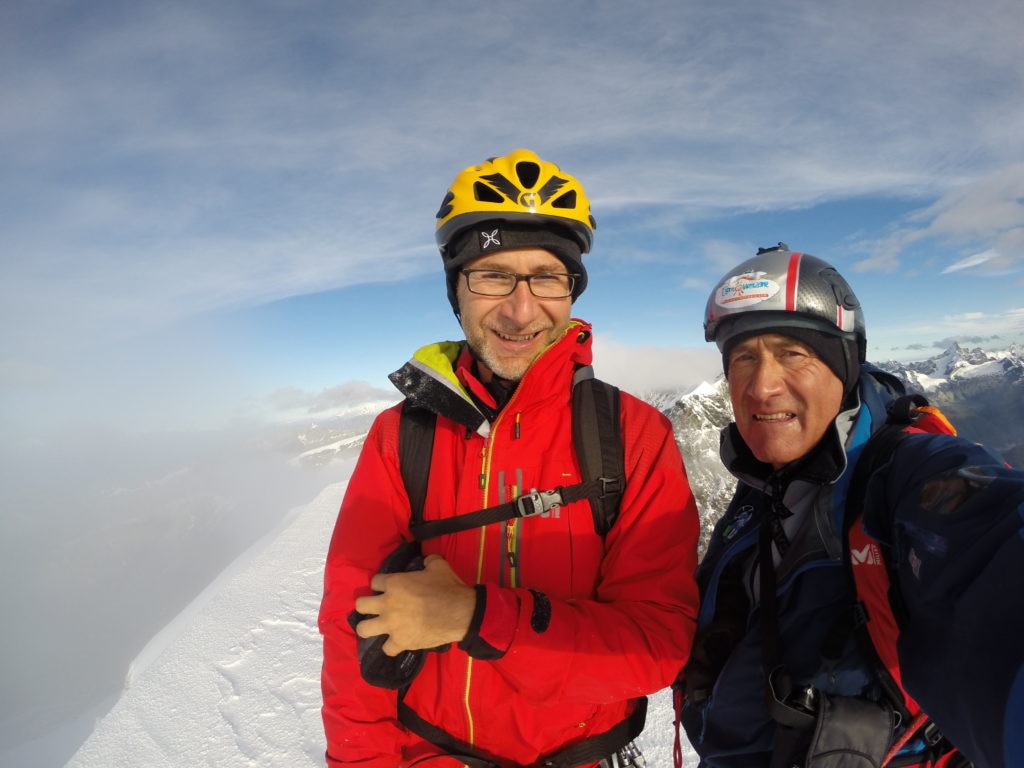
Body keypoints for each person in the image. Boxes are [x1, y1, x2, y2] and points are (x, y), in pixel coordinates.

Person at [318, 149, 700, 768]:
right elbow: (350, 627)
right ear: (457, 292)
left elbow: (656, 645)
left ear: (571, 289)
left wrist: (475, 616)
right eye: (492, 274)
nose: (522, 309)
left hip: (580, 755)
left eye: (546, 277)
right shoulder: (402, 436)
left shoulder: (632, 434)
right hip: (429, 753)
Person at [679, 244, 1024, 768]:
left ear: (843, 366)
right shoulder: (762, 482)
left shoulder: (906, 477)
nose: (762, 386)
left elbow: (990, 543)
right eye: (743, 357)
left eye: (793, 353)